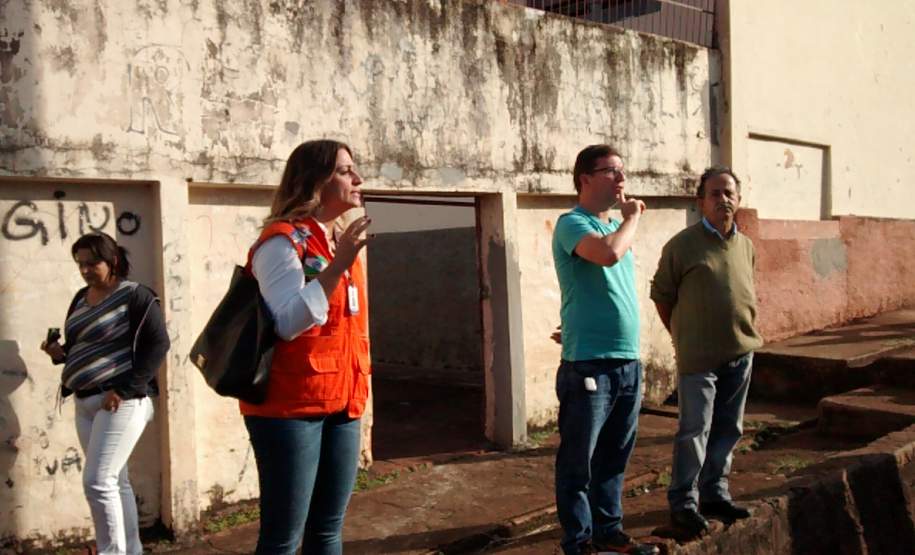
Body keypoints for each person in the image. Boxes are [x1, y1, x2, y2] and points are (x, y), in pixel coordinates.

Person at [241, 139, 372, 555]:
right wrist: (337, 267)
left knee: (329, 529)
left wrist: (340, 259)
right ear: (316, 181)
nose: (358, 179)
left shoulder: (336, 240)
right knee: (282, 539)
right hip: (290, 408)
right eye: (345, 170)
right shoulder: (281, 242)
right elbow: (287, 322)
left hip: (343, 402)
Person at [552, 145, 658, 555]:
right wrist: (631, 219)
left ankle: (608, 532)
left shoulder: (615, 224)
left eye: (622, 171)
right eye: (611, 171)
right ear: (585, 179)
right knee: (579, 462)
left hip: (626, 360)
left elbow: (604, 290)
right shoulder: (572, 224)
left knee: (615, 456)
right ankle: (579, 542)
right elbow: (608, 255)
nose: (621, 179)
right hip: (589, 365)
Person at [650, 166, 764, 536]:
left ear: (739, 200)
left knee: (729, 428)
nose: (723, 200)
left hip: (740, 353)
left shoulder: (745, 245)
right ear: (701, 202)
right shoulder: (682, 246)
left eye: (729, 193)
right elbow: (662, 297)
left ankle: (715, 493)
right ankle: (682, 503)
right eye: (714, 194)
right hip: (699, 360)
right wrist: (684, 337)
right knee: (694, 431)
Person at [41, 232, 170, 555]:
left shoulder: (135, 296)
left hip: (120, 401)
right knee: (115, 482)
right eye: (80, 264)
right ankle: (131, 550)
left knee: (97, 482)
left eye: (92, 263)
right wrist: (59, 352)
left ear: (112, 261)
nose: (85, 270)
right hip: (84, 400)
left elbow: (158, 345)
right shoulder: (81, 298)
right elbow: (82, 346)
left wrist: (125, 389)